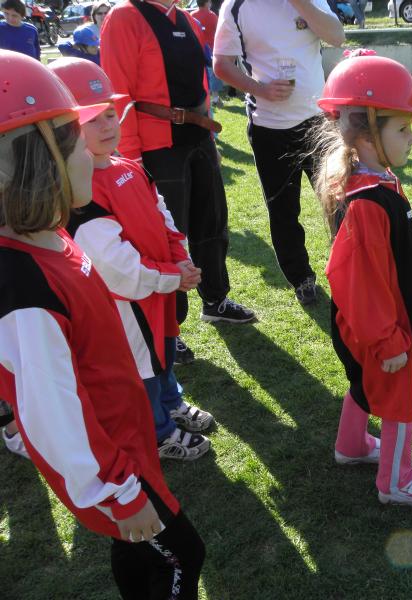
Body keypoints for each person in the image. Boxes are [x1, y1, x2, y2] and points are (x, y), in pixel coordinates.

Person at [0, 49, 205, 599]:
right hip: (114, 467)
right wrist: (117, 491)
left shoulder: (49, 237)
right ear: (37, 164)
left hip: (126, 446)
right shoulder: (23, 286)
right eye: (75, 142)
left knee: (141, 560)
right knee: (184, 555)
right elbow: (51, 411)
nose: (90, 155)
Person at [50, 57, 214, 461]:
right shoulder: (80, 192)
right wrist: (171, 276)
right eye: (92, 120)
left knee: (164, 351)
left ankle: (171, 403)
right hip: (129, 301)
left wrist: (179, 259)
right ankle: (158, 431)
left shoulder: (129, 165)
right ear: (63, 131)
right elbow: (116, 267)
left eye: (110, 114)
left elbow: (162, 214)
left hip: (160, 286)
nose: (107, 126)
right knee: (143, 367)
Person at [314, 55, 412, 507]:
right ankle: (397, 481)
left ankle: (351, 445)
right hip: (383, 328)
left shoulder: (375, 183)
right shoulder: (367, 202)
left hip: (377, 322)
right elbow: (356, 280)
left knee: (362, 382)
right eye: (403, 128)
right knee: (399, 398)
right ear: (369, 135)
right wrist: (389, 341)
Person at [102, 0, 255, 365]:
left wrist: (209, 138)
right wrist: (133, 157)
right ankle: (170, 327)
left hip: (198, 138)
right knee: (167, 238)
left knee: (212, 223)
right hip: (157, 146)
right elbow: (118, 92)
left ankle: (215, 299)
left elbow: (200, 80)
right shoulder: (124, 17)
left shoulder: (183, 16)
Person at [213, 0, 344, 306]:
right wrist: (260, 89)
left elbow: (337, 36)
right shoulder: (236, 6)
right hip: (269, 129)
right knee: (283, 211)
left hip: (319, 123)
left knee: (341, 202)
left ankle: (350, 268)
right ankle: (301, 278)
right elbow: (222, 64)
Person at [190, 0, 224, 107]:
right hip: (211, 49)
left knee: (200, 74)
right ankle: (215, 97)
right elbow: (219, 31)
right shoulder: (213, 16)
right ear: (207, 3)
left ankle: (205, 97)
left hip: (197, 49)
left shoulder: (192, 15)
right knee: (213, 74)